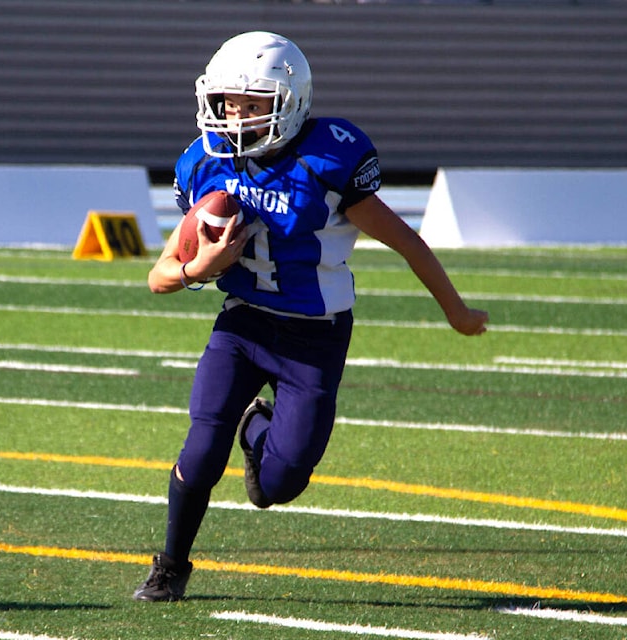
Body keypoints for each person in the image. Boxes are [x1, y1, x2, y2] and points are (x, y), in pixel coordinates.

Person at [133, 31, 488, 602]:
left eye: (255, 104)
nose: (238, 116)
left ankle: (256, 429)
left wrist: (457, 312)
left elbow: (408, 243)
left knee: (280, 482)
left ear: (290, 103)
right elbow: (160, 276)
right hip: (242, 323)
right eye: (230, 102)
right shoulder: (205, 165)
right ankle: (170, 565)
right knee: (199, 454)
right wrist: (202, 265)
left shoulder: (326, 160)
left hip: (314, 338)